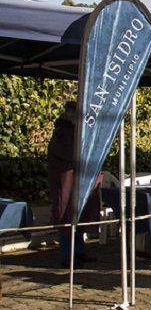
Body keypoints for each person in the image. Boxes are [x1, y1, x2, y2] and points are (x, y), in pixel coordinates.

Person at [47, 101, 100, 269]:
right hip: (66, 181)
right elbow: (67, 154)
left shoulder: (75, 130)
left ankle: (78, 251)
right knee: (66, 217)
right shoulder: (62, 132)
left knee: (79, 217)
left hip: (76, 181)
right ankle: (67, 256)